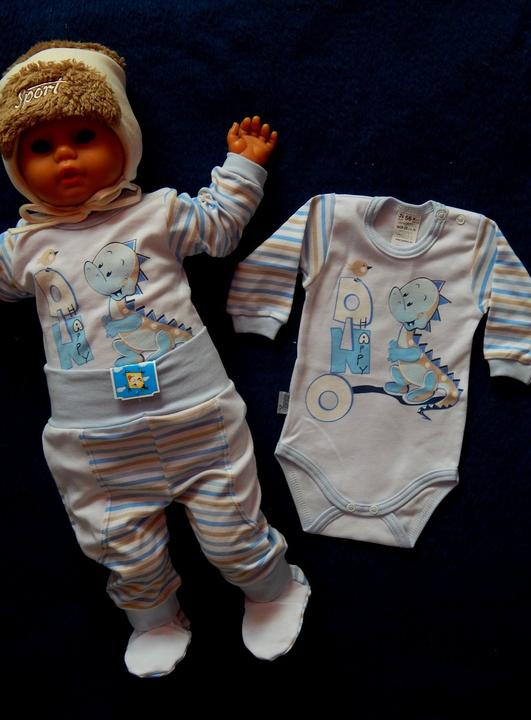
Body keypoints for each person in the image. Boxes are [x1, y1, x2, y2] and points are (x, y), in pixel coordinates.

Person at [0, 40, 309, 678]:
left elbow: (218, 227)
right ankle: (153, 616)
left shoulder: (156, 212)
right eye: (39, 146)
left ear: (124, 138)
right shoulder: (21, 249)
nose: (65, 155)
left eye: (84, 135)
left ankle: (271, 588)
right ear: (15, 167)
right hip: (94, 439)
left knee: (231, 527)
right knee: (121, 546)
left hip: (192, 410)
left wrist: (242, 168)